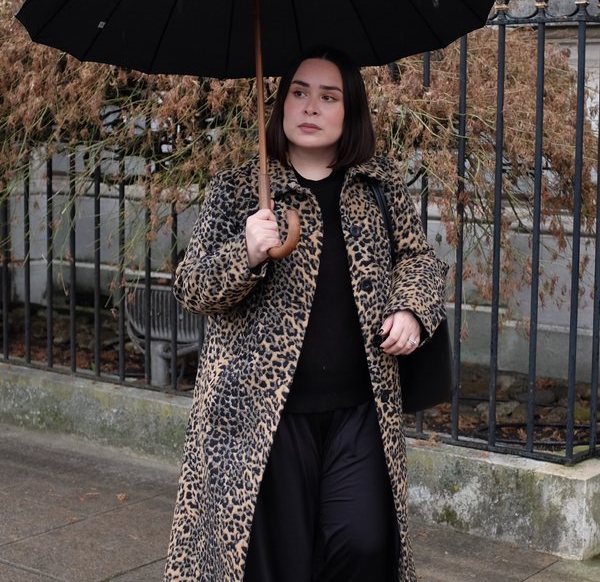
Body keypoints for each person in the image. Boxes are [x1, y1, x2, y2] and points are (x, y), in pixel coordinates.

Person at [164, 48, 447, 582]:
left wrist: (411, 309)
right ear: (281, 104)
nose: (311, 107)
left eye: (328, 96)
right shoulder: (239, 188)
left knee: (363, 545)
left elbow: (420, 260)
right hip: (260, 417)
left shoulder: (379, 186)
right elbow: (192, 287)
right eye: (298, 92)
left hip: (360, 409)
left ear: (349, 111)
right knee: (278, 563)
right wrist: (245, 252)